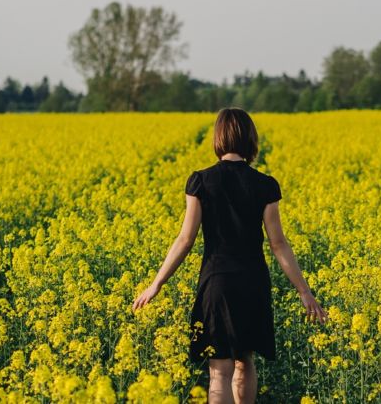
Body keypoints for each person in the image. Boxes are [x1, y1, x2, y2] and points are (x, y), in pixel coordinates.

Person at [132, 107, 327, 404]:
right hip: (252, 282)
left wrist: (156, 283)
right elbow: (278, 244)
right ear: (251, 139)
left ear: (218, 138)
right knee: (244, 361)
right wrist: (304, 291)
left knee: (219, 370)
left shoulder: (201, 181)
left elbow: (185, 240)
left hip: (216, 282)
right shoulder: (265, 185)